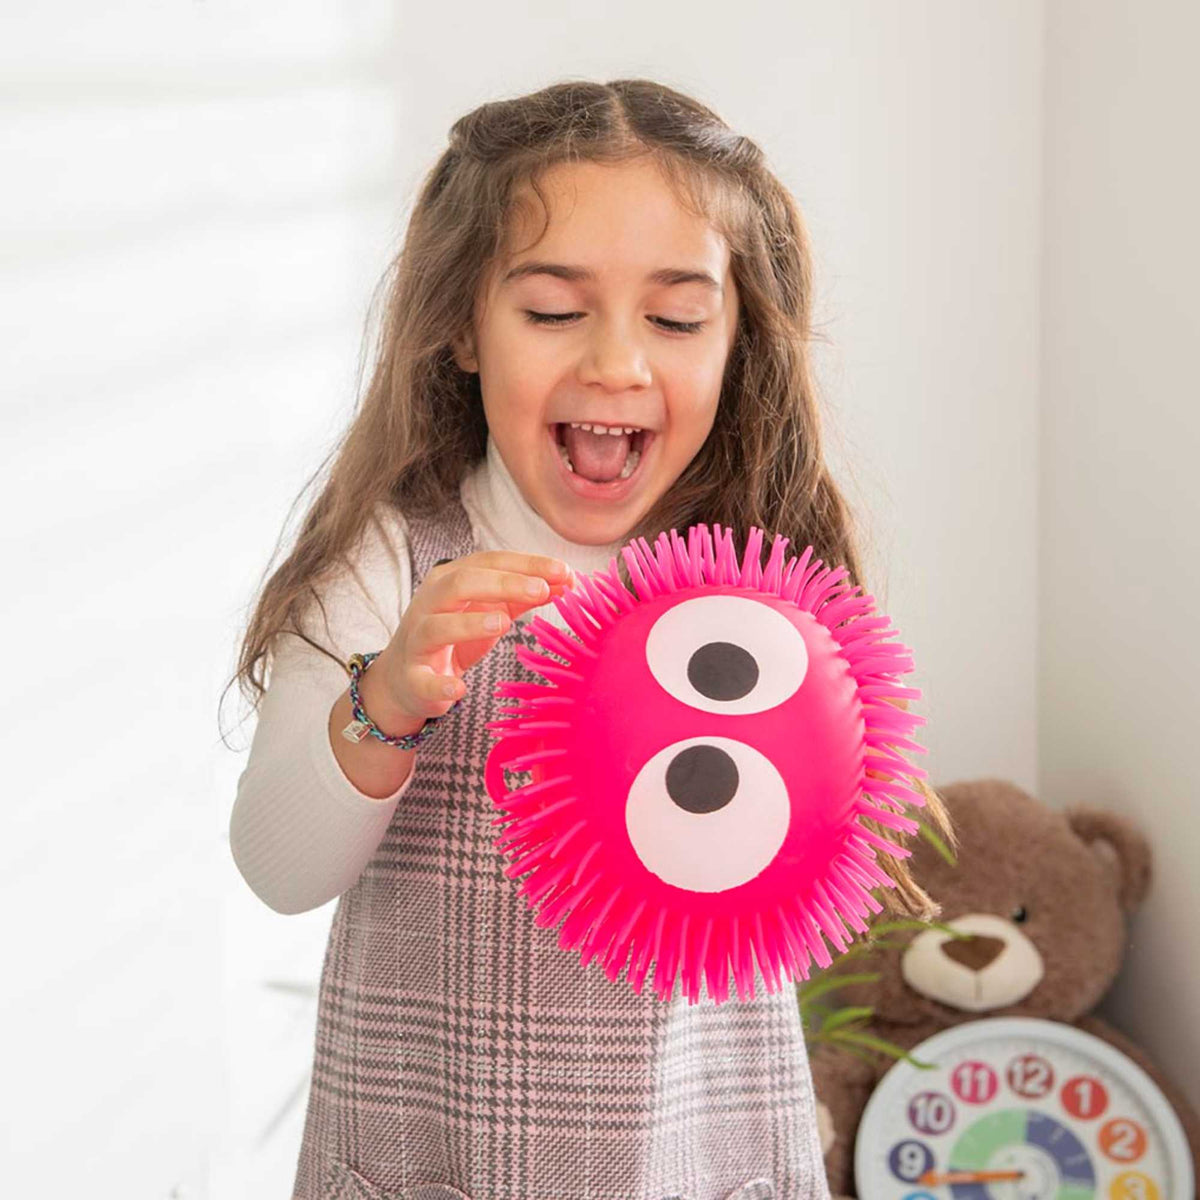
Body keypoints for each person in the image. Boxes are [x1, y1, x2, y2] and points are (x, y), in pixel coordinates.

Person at [224, 77, 952, 1200]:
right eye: (555, 311)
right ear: (463, 329)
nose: (617, 362)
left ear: (737, 340)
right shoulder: (392, 558)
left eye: (675, 318)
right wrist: (387, 704)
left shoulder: (759, 582)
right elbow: (279, 870)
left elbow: (807, 877)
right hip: (435, 1153)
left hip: (693, 1151)